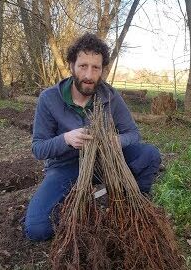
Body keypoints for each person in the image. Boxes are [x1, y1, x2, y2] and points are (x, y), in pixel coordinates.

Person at [24, 33, 161, 241]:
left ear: (103, 70)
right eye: (83, 66)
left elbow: (133, 134)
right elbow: (38, 148)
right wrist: (66, 139)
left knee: (149, 154)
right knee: (37, 229)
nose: (89, 74)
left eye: (95, 68)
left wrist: (116, 141)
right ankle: (80, 207)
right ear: (71, 65)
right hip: (65, 167)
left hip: (105, 162)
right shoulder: (49, 98)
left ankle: (131, 200)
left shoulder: (110, 97)